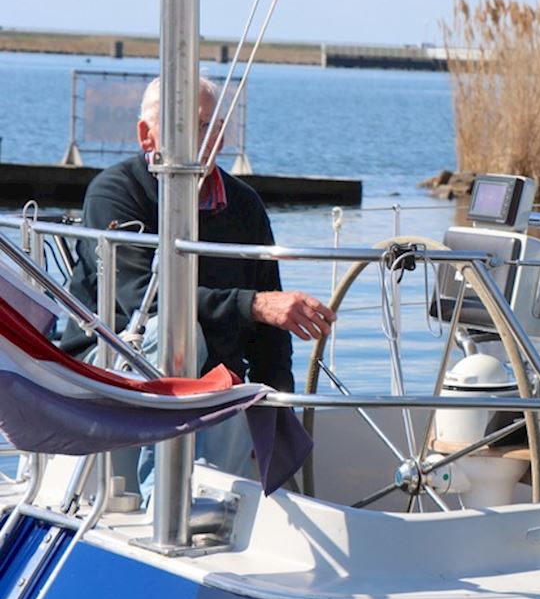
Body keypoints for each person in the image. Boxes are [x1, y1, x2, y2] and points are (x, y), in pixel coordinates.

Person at [62, 76, 335, 483]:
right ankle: (166, 496)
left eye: (208, 126)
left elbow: (270, 333)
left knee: (228, 377)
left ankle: (216, 496)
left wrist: (277, 409)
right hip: (110, 364)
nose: (199, 138)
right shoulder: (115, 193)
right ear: (146, 135)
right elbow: (139, 297)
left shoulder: (245, 205)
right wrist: (253, 304)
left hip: (214, 381)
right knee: (177, 332)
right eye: (182, 125)